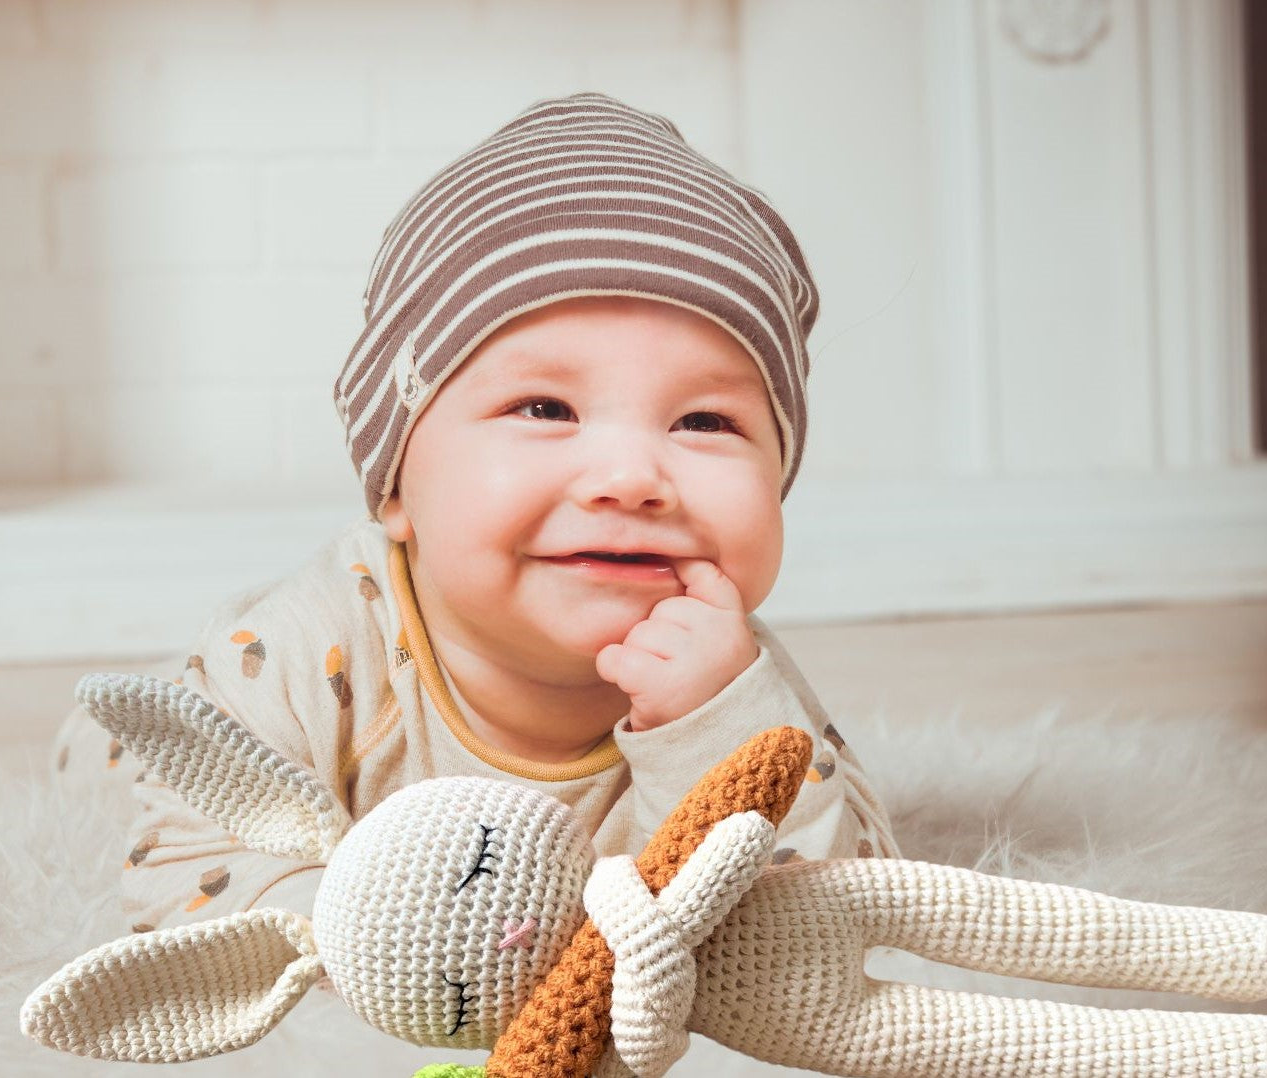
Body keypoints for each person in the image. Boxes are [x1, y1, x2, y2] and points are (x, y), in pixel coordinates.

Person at [53, 91, 899, 934]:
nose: (630, 476)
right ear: (395, 488)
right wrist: (384, 943)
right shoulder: (298, 655)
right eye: (544, 409)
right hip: (176, 728)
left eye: (703, 422)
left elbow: (834, 920)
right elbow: (191, 879)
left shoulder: (732, 685)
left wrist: (711, 735)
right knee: (143, 745)